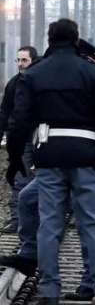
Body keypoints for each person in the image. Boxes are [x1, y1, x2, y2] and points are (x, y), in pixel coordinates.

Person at [5, 19, 95, 305]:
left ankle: (50, 295)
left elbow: (19, 120)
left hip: (49, 156)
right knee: (93, 224)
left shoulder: (34, 74)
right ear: (76, 40)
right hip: (86, 156)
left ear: (50, 39)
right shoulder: (91, 72)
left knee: (49, 224)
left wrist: (14, 159)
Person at [1, 46, 38, 233]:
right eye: (18, 60)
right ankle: (18, 220)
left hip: (39, 137)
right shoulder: (13, 84)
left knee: (45, 179)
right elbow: (5, 111)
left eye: (24, 60)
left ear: (33, 60)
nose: (20, 64)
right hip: (21, 138)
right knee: (21, 178)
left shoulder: (40, 81)